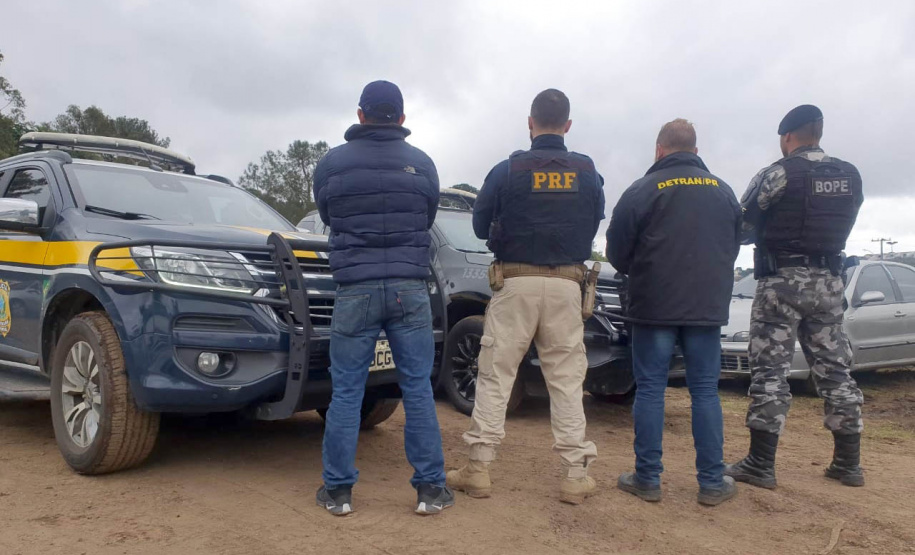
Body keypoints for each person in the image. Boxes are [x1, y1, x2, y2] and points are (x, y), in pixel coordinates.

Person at [447, 89, 605, 505]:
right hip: (568, 285)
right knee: (567, 379)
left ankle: (478, 469)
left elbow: (481, 227)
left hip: (514, 281)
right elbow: (592, 224)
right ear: (568, 126)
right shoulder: (588, 171)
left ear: (529, 123)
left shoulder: (507, 170)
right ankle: (575, 474)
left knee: (496, 374)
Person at [313, 80, 453, 516]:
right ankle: (430, 490)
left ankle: (338, 492)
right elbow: (427, 217)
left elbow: (327, 215)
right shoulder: (422, 164)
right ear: (402, 118)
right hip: (409, 290)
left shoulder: (332, 165)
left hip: (355, 289)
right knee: (417, 389)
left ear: (360, 116)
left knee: (347, 391)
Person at [726, 105, 865, 489]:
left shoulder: (779, 173)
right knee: (836, 370)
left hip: (782, 282)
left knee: (771, 371)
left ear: (788, 137)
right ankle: (848, 464)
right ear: (817, 133)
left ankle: (760, 463)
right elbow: (850, 216)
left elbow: (742, 225)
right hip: (831, 283)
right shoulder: (850, 174)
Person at [606, 119, 741, 506]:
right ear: (696, 152)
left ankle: (647, 479)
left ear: (659, 150)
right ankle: (712, 483)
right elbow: (732, 247)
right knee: (704, 391)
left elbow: (617, 253)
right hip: (705, 307)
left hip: (653, 306)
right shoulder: (724, 191)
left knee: (650, 388)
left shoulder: (641, 190)